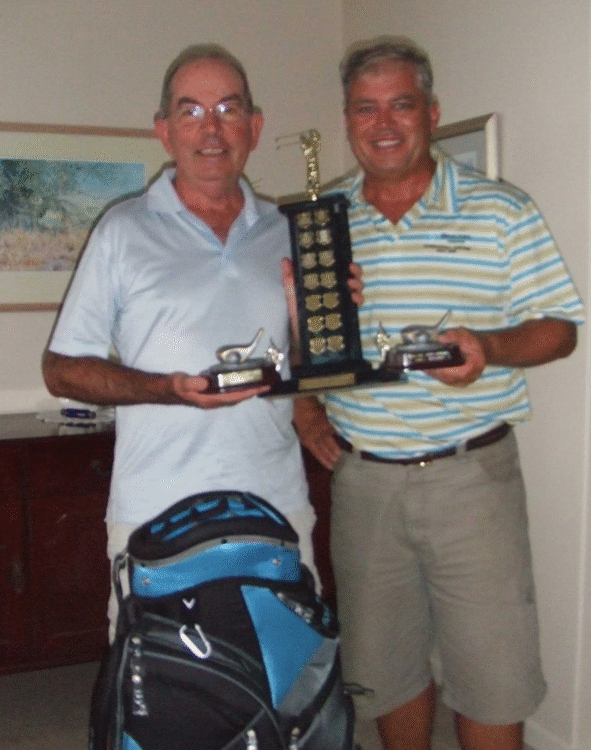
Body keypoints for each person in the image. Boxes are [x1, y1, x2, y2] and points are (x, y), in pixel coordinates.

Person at [294, 37, 584, 750]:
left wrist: (490, 348)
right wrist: (304, 404)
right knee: (385, 671)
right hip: (364, 483)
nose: (383, 123)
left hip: (470, 480)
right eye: (365, 108)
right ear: (346, 118)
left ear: (431, 112)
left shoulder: (501, 210)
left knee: (493, 676)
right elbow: (304, 340)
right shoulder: (323, 219)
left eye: (400, 104)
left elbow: (559, 331)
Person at [41, 43, 361, 638]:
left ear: (254, 128)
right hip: (156, 516)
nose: (211, 129)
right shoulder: (122, 230)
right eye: (191, 112)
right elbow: (61, 369)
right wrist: (167, 389)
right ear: (164, 132)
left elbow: (295, 365)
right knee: (164, 689)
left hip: (276, 508)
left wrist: (323, 320)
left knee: (285, 680)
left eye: (228, 110)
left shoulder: (287, 231)